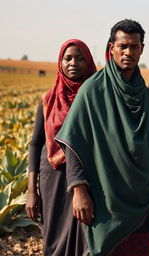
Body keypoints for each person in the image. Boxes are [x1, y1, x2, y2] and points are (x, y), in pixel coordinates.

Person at [55, 19, 149, 256]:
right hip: (106, 198)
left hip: (143, 199)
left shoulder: (145, 95)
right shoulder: (92, 90)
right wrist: (78, 190)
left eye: (134, 47)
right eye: (123, 46)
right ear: (111, 48)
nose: (128, 52)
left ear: (142, 49)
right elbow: (74, 142)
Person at [25, 39, 97, 256]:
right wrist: (31, 191)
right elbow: (36, 144)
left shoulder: (96, 98)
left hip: (88, 178)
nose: (73, 63)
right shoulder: (48, 99)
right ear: (60, 63)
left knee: (86, 238)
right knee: (54, 238)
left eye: (80, 58)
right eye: (68, 58)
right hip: (53, 180)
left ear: (89, 62)